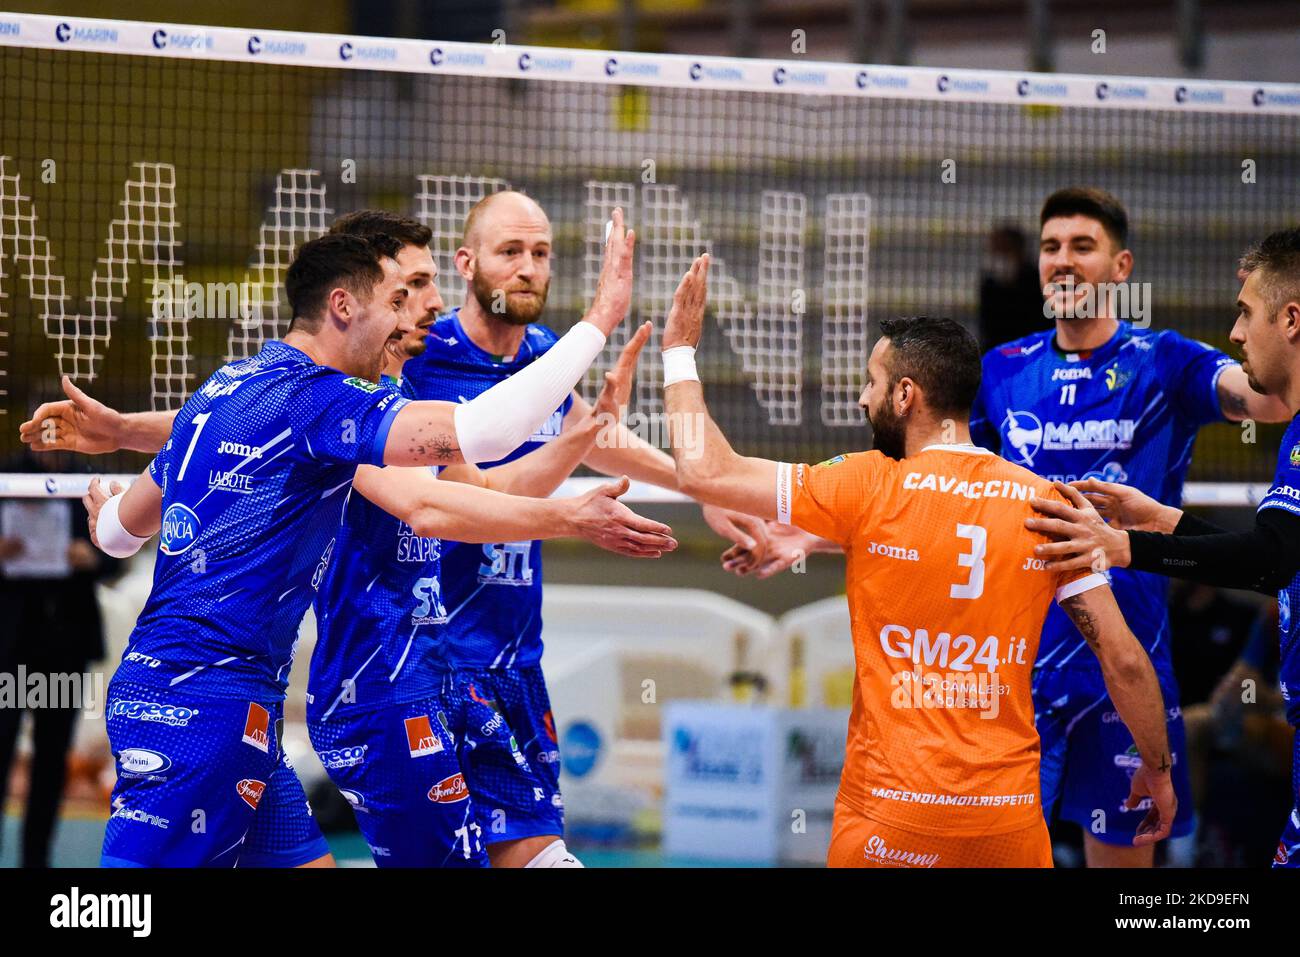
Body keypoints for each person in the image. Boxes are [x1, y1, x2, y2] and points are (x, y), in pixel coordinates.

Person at [28, 212, 671, 866]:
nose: (407, 318)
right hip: (206, 706)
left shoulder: (221, 390)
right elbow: (465, 455)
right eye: (394, 299)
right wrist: (601, 317)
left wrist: (104, 496)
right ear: (343, 305)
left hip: (237, 703)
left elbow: (116, 532)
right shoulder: (327, 402)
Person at [657, 255, 1176, 867]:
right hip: (1003, 824)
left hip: (887, 819)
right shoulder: (1049, 503)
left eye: (871, 383)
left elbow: (704, 469)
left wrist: (680, 352)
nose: (860, 398)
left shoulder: (867, 484)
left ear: (906, 395)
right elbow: (1123, 659)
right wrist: (1157, 768)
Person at [395, 191, 762, 868]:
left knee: (542, 855)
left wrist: (702, 488)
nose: (528, 267)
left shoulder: (541, 351)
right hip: (425, 660)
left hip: (514, 660)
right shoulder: (418, 357)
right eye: (510, 252)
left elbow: (590, 435)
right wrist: (571, 515)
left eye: (541, 253)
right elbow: (468, 496)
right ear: (467, 262)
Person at [1017, 226, 1300, 867]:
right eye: (1050, 246)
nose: (1234, 332)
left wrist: (1126, 548)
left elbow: (1270, 560)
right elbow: (1277, 558)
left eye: (1245, 313)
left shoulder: (1169, 362)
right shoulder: (1005, 369)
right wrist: (1163, 521)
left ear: (1290, 319)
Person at [0, 447, 120, 867]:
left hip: (65, 645)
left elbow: (119, 548)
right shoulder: (8, 475)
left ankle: (37, 860)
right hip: (10, 646)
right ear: (28, 438)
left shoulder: (93, 481)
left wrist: (96, 557)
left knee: (52, 759)